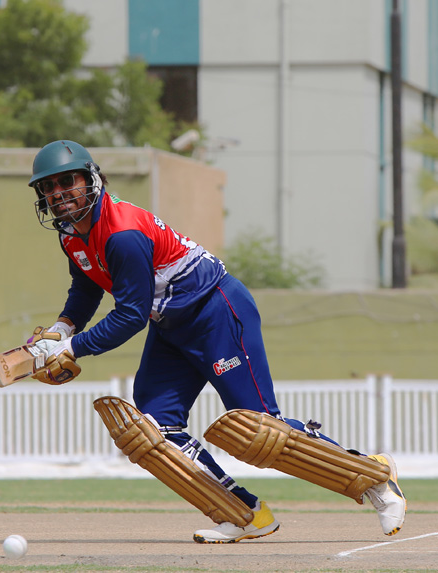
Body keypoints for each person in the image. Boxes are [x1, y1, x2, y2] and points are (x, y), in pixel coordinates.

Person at [22, 139, 406, 543]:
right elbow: (87, 287)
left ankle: (375, 476)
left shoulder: (122, 234)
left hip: (215, 312)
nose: (58, 192)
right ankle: (245, 514)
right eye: (48, 186)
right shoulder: (70, 234)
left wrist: (72, 349)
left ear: (92, 179)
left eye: (68, 181)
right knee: (154, 430)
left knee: (259, 430)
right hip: (170, 324)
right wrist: (63, 328)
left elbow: (130, 315)